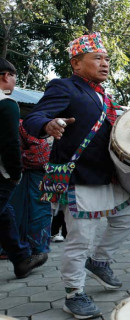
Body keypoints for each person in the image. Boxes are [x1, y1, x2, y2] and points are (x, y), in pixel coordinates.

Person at [23, 32, 130, 319]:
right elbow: (35, 117)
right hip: (80, 176)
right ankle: (74, 293)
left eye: (107, 59)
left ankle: (99, 262)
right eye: (97, 58)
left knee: (127, 218)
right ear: (76, 63)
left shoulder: (104, 97)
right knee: (80, 239)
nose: (105, 63)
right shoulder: (64, 87)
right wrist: (49, 124)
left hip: (106, 176)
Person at [0, 57, 48, 279]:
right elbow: (10, 144)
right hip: (3, 174)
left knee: (6, 212)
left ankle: (21, 259)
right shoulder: (7, 104)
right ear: (5, 76)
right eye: (13, 77)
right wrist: (15, 174)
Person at [8, 120, 52, 253]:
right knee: (14, 210)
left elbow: (42, 155)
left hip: (35, 174)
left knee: (37, 209)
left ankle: (37, 247)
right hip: (18, 174)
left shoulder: (23, 125)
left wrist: (20, 160)